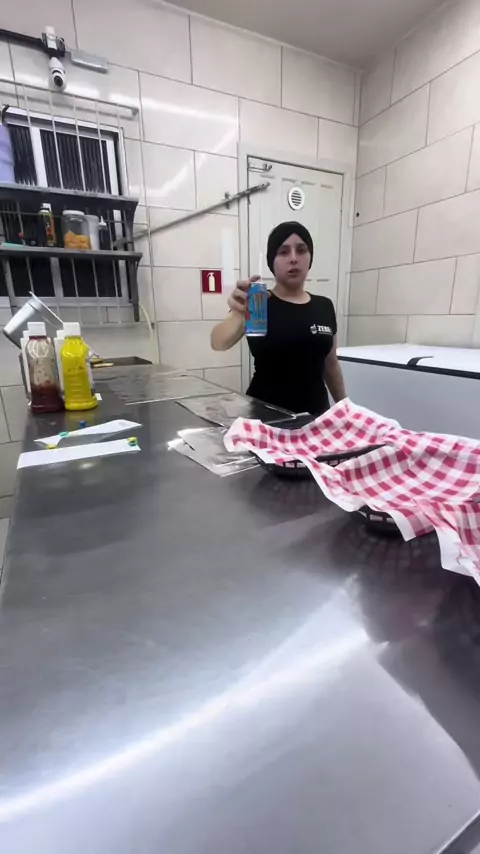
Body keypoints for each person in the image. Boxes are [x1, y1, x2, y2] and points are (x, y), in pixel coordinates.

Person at [211, 221, 346, 415]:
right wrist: (240, 313)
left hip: (316, 418)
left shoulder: (324, 306)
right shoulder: (258, 303)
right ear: (271, 261)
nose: (293, 258)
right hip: (266, 419)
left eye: (301, 250)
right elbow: (218, 343)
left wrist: (346, 408)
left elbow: (331, 364)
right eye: (283, 252)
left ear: (310, 257)